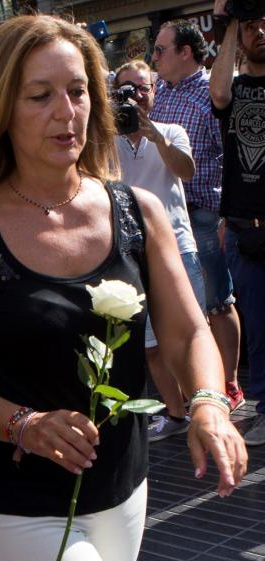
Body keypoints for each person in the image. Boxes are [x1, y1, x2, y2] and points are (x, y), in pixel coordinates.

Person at [0, 14, 247, 561]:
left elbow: (189, 331)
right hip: (16, 504)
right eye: (40, 96)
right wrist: (23, 424)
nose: (65, 111)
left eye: (77, 91)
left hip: (124, 492)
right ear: (3, 108)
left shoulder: (138, 211)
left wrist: (209, 404)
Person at [151, 19, 246, 411]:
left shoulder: (212, 92)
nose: (153, 58)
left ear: (185, 52)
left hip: (204, 213)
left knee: (218, 302)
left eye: (160, 50)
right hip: (167, 217)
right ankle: (195, 389)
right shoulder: (159, 93)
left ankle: (230, 384)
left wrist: (226, 215)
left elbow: (232, 155)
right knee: (183, 307)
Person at [113, 60, 205, 442]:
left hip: (178, 249)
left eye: (143, 88)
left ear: (154, 90)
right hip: (134, 255)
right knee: (151, 346)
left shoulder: (171, 130)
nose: (136, 96)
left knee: (191, 337)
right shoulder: (108, 141)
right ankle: (176, 413)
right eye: (126, 90)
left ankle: (205, 410)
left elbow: (187, 171)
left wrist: (156, 137)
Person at [209, 3, 265, 445]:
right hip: (246, 229)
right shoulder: (237, 88)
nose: (259, 31)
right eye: (250, 27)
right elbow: (219, 93)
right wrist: (228, 24)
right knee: (260, 329)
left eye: (264, 24)